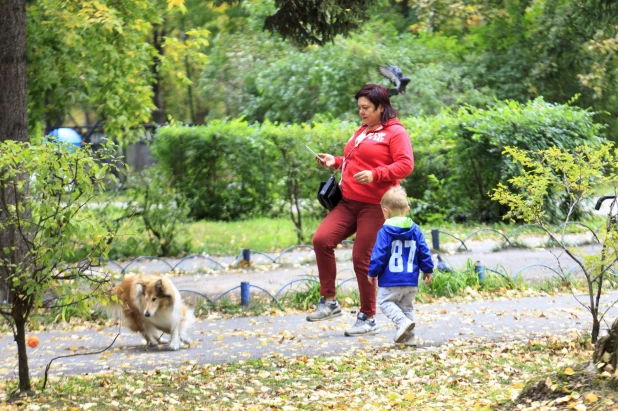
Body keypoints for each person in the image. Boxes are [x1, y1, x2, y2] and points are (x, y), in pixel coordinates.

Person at [307, 84, 414, 337]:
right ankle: (329, 301)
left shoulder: (395, 132)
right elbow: (355, 162)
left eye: (366, 108)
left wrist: (377, 175)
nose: (361, 112)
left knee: (361, 259)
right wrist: (335, 161)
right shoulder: (363, 130)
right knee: (322, 240)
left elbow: (405, 165)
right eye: (359, 108)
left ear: (381, 107)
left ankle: (368, 317)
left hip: (376, 206)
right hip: (348, 201)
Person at [367, 186, 433, 346]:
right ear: (407, 209)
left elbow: (380, 253)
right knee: (407, 307)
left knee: (384, 302)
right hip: (411, 280)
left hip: (391, 280)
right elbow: (423, 250)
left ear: (385, 211)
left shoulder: (385, 231)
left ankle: (402, 323)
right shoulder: (415, 229)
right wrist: (427, 269)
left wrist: (372, 271)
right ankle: (409, 339)